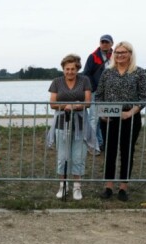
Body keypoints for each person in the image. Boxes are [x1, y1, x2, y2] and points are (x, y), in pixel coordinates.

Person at [96, 41, 146, 202]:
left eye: (123, 52)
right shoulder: (107, 73)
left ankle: (123, 188)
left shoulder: (139, 73)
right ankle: (108, 186)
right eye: (117, 52)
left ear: (130, 54)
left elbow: (145, 97)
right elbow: (98, 96)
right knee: (110, 152)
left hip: (130, 117)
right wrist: (102, 114)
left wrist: (130, 112)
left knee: (127, 152)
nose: (119, 55)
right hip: (109, 118)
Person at [47, 54, 95, 200]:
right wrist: (65, 106)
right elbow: (53, 104)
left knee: (78, 156)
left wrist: (76, 106)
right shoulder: (56, 81)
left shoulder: (85, 80)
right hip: (62, 123)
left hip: (80, 123)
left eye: (73, 69)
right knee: (62, 157)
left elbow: (88, 102)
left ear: (77, 68)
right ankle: (62, 186)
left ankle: (77, 187)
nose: (70, 72)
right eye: (67, 69)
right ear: (63, 69)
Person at [83, 34, 114, 154]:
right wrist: (94, 87)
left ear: (112, 43)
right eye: (102, 42)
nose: (104, 44)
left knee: (105, 119)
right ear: (100, 43)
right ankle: (92, 145)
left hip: (111, 93)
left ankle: (101, 143)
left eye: (107, 42)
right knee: (93, 118)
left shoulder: (116, 56)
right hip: (96, 92)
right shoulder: (93, 57)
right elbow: (86, 73)